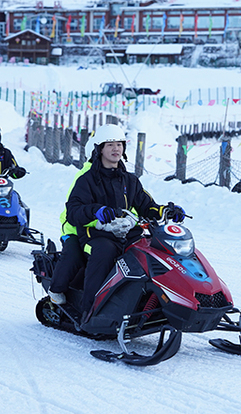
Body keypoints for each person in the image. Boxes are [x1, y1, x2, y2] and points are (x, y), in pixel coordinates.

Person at [64, 124, 185, 316]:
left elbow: (146, 205)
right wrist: (96, 211)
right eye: (110, 144)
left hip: (126, 233)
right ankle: (90, 311)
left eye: (119, 144)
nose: (116, 149)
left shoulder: (130, 180)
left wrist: (166, 211)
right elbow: (73, 211)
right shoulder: (86, 180)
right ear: (99, 149)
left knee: (151, 251)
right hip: (97, 235)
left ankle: (151, 303)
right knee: (105, 252)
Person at [46, 133, 98, 305]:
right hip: (75, 228)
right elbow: (74, 207)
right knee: (74, 254)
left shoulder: (117, 175)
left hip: (101, 231)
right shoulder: (84, 177)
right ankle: (56, 289)